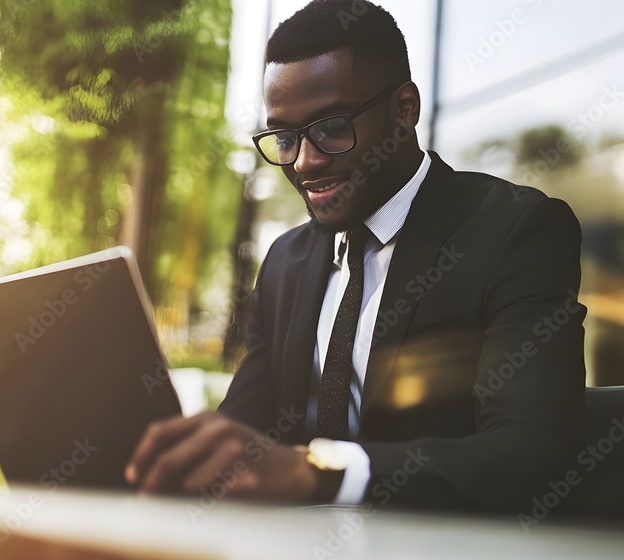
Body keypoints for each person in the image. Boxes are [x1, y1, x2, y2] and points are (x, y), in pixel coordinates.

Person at [125, 0, 586, 512]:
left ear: (404, 110)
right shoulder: (284, 263)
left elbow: (530, 454)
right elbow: (244, 432)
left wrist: (323, 475)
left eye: (331, 127)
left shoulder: (514, 232)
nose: (304, 161)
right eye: (284, 137)